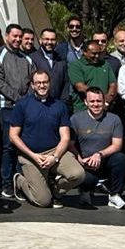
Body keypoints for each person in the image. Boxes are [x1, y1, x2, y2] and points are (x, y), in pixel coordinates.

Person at [6, 71, 82, 208]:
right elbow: (13, 136)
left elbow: (65, 137)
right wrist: (33, 156)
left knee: (78, 174)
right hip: (30, 155)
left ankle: (55, 190)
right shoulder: (22, 105)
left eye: (45, 82)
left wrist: (55, 157)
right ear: (32, 85)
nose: (42, 85)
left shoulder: (60, 106)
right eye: (38, 83)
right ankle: (20, 181)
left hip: (55, 152)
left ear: (49, 83)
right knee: (43, 201)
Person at [0, 23, 35, 196]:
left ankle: (20, 182)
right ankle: (6, 183)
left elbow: (33, 81)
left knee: (22, 146)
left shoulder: (27, 58)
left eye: (19, 36)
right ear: (7, 36)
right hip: (6, 107)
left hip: (25, 108)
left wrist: (26, 101)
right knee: (7, 146)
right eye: (14, 36)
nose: (17, 39)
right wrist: (19, 99)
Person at [69, 87, 125, 209]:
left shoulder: (114, 119)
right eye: (92, 101)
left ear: (104, 101)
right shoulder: (76, 119)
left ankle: (114, 195)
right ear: (86, 102)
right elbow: (70, 145)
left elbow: (117, 145)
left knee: (121, 158)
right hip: (85, 163)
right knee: (88, 179)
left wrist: (99, 154)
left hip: (105, 161)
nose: (95, 104)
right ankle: (85, 192)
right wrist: (79, 159)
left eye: (99, 101)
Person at [67, 40, 116, 111]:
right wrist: (100, 97)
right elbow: (80, 87)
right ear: (84, 52)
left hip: (104, 108)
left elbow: (113, 84)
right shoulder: (76, 65)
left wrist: (107, 100)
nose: (97, 56)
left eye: (99, 53)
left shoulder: (104, 64)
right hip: (83, 108)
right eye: (94, 53)